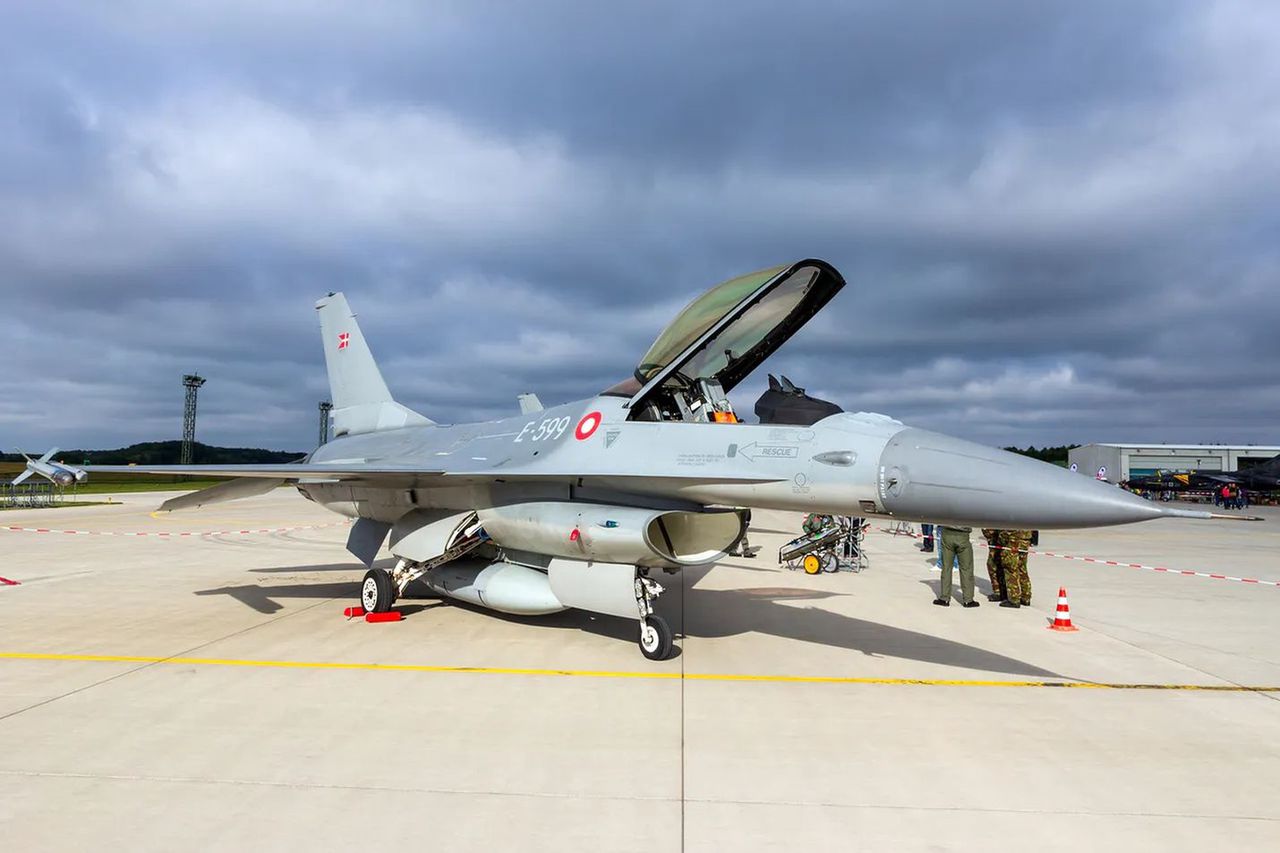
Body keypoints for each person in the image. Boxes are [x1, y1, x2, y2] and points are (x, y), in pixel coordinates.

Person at [934, 526, 978, 607]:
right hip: (963, 535)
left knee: (946, 567)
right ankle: (968, 600)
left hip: (947, 533)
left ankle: (944, 598)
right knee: (966, 568)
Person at [998, 529, 1034, 607]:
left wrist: (1001, 537)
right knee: (1022, 568)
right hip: (1025, 539)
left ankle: (1014, 599)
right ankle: (1026, 596)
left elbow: (1007, 529)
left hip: (1013, 540)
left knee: (1010, 569)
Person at [982, 528, 1004, 601]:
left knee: (992, 565)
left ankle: (999, 592)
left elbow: (989, 533)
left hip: (997, 541)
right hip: (997, 541)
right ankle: (1002, 591)